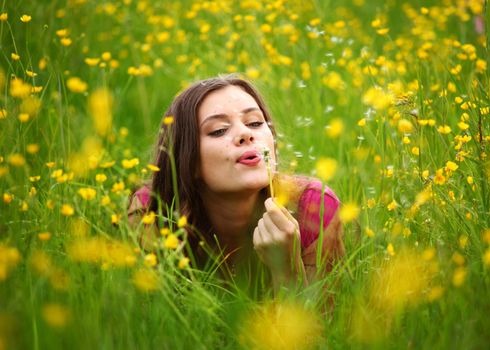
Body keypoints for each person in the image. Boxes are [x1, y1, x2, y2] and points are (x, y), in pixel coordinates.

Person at [128, 75, 345, 294]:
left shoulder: (314, 207)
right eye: (219, 130)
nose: (245, 133)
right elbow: (147, 320)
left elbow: (321, 323)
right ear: (187, 159)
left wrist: (287, 271)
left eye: (255, 123)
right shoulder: (152, 213)